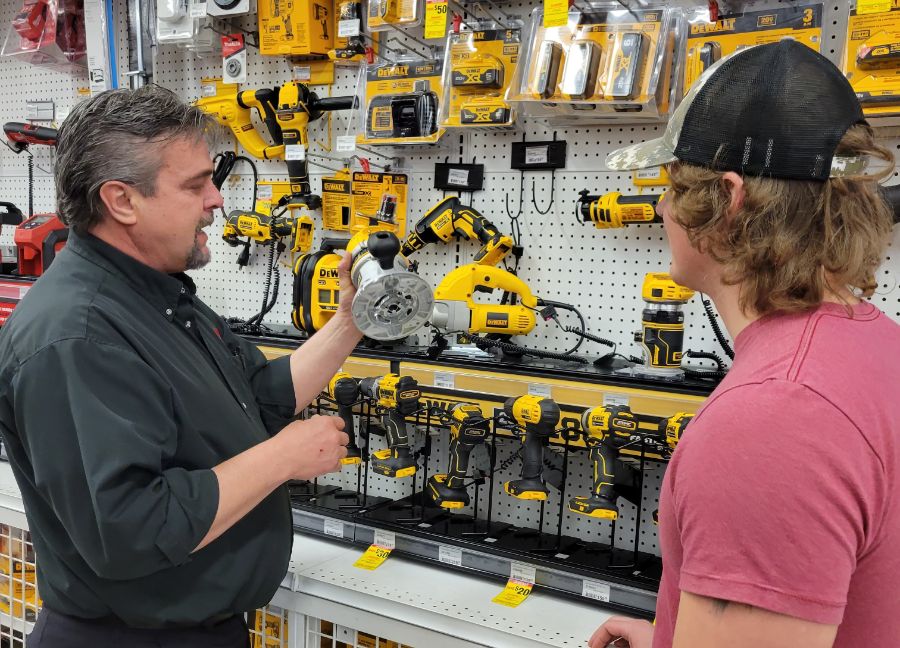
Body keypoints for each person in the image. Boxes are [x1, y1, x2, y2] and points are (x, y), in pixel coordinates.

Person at [0, 85, 361, 647]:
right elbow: (129, 528)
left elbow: (259, 397)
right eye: (196, 185)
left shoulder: (156, 295)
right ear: (122, 201)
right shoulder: (80, 336)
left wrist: (349, 322)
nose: (217, 199)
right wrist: (282, 458)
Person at [589, 41, 900, 648]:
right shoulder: (875, 347)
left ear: (727, 201)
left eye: (673, 183)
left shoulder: (775, 420)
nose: (659, 205)